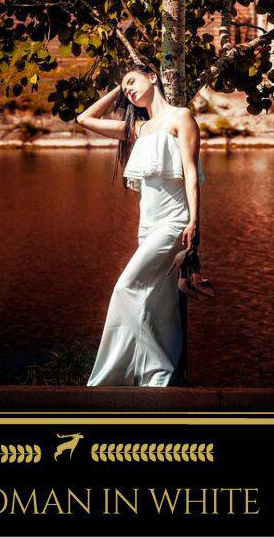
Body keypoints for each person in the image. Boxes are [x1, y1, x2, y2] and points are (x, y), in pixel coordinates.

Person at [76, 63, 205, 387]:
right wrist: (119, 89)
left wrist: (194, 220)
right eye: (125, 88)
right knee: (159, 305)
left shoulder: (180, 117)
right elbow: (84, 119)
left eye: (133, 81)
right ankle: (158, 378)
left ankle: (109, 379)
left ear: (153, 76)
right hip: (146, 228)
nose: (130, 90)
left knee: (126, 287)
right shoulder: (139, 129)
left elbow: (190, 172)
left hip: (174, 221)